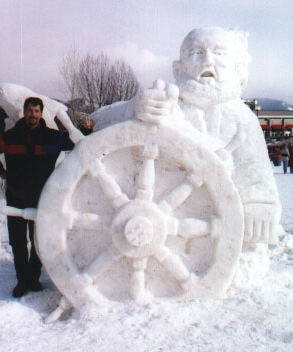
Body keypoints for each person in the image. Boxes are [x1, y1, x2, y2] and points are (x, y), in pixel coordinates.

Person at [91, 27, 281, 245]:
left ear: (237, 68)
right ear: (178, 70)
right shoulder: (165, 103)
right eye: (197, 53)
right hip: (149, 223)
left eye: (218, 53)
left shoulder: (242, 118)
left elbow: (255, 171)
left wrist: (260, 202)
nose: (207, 62)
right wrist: (134, 109)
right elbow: (96, 122)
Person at [0, 97, 90, 298]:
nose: (33, 115)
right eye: (30, 111)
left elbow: (76, 141)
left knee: (39, 240)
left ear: (41, 114)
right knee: (17, 241)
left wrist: (86, 129)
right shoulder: (10, 137)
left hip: (42, 197)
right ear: (24, 112)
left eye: (36, 111)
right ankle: (22, 281)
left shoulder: (53, 137)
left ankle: (33, 277)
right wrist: (2, 172)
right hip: (15, 195)